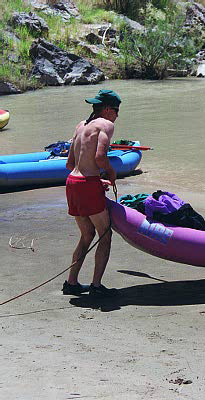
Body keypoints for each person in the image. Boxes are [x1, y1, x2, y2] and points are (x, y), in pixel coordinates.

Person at [62, 89, 121, 297]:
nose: (117, 114)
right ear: (106, 109)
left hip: (73, 182)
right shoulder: (106, 125)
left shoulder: (80, 126)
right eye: (116, 109)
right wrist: (112, 173)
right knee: (105, 235)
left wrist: (96, 180)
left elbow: (70, 164)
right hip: (86, 184)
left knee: (86, 235)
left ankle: (71, 283)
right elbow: (100, 157)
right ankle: (96, 286)